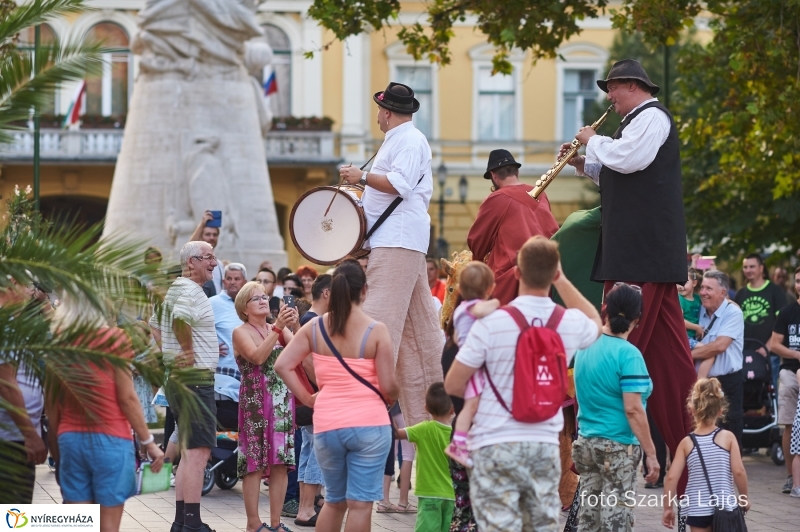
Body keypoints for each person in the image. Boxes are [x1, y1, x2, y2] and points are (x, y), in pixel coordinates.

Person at [561, 59, 696, 482]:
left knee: (612, 349)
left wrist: (593, 140)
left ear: (632, 86)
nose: (609, 97)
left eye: (612, 89)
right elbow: (623, 177)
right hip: (643, 256)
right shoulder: (634, 124)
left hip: (640, 255)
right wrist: (582, 164)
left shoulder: (652, 117)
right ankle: (697, 457)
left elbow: (629, 159)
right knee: (672, 365)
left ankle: (596, 447)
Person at [444, 236, 602, 531]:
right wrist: (562, 281)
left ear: (517, 272)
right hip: (543, 445)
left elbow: (453, 384)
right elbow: (595, 321)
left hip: (494, 443)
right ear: (554, 273)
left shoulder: (491, 322)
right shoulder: (567, 323)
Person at [338, 82, 444, 427]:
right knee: (420, 339)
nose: (377, 116)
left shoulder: (410, 140)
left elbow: (400, 185)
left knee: (377, 320)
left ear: (386, 112)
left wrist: (361, 177)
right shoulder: (403, 139)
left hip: (397, 240)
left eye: (379, 110)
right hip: (400, 239)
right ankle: (435, 421)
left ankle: (362, 409)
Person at [274, 259, 399, 532]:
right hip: (369, 423)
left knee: (334, 501)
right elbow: (389, 386)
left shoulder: (315, 328)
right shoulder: (376, 330)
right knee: (360, 505)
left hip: (328, 423)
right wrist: (393, 395)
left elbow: (282, 365)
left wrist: (309, 398)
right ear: (364, 290)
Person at [48, 292, 165, 531]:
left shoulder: (58, 344)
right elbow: (127, 398)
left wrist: (58, 456)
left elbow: (53, 409)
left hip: (71, 440)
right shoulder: (114, 339)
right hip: (111, 440)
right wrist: (148, 442)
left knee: (79, 524)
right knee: (108, 526)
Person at [572, 283, 659, 531]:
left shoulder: (585, 346)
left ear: (605, 309)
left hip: (586, 443)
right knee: (616, 520)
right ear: (637, 319)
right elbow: (633, 409)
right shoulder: (629, 355)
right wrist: (651, 453)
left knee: (589, 519)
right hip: (617, 446)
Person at [150, 241, 219, 532]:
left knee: (190, 452)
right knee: (198, 453)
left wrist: (170, 353)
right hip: (195, 380)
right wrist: (187, 352)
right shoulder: (190, 290)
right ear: (191, 262)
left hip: (181, 379)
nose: (214, 262)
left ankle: (182, 522)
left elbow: (155, 325)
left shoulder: (176, 289)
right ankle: (192, 524)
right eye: (208, 257)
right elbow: (179, 319)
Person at [232, 281, 298, 532]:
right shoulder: (241, 331)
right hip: (255, 404)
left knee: (280, 463)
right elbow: (257, 357)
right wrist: (278, 328)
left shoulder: (277, 328)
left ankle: (276, 523)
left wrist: (294, 326)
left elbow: (300, 352)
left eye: (264, 297)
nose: (263, 301)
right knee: (254, 463)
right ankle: (253, 523)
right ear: (244, 308)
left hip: (282, 404)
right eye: (256, 298)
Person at [467, 149, 559, 305]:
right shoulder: (541, 194)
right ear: (517, 172)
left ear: (493, 175)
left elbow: (477, 242)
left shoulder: (496, 198)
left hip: (511, 281)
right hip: (545, 278)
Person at [662, 378, 750, 531]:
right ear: (720, 411)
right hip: (725, 508)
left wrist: (668, 508)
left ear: (692, 410)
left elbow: (671, 477)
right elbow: (738, 471)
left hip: (697, 509)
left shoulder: (686, 443)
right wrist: (744, 499)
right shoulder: (728, 437)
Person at [444, 261, 499, 466]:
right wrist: (497, 302)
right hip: (474, 365)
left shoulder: (459, 310)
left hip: (468, 361)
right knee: (472, 404)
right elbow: (481, 310)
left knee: (471, 404)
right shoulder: (472, 308)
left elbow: (457, 337)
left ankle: (463, 441)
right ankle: (459, 445)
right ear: (489, 289)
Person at [0, 280, 47, 504]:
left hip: (13, 436)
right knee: (13, 511)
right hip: (11, 439)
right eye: (26, 285)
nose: (30, 291)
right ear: (12, 283)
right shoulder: (6, 326)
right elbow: (5, 383)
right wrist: (30, 435)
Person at [692, 270, 745, 447]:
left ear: (723, 292)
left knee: (729, 436)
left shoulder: (733, 313)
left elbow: (719, 346)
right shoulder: (697, 308)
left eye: (709, 288)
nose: (703, 292)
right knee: (700, 434)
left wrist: (685, 356)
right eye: (702, 287)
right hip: (700, 383)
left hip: (727, 383)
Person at [396, 382, 456, 532]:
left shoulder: (424, 429)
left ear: (426, 408)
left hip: (430, 493)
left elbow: (396, 434)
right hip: (452, 495)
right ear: (452, 409)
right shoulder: (456, 434)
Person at [769, 266, 800, 494]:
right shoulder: (788, 312)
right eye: (798, 281)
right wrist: (796, 355)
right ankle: (791, 476)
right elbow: (774, 344)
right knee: (789, 423)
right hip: (790, 371)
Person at [735, 253, 787, 391]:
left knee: (771, 393)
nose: (748, 270)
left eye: (752, 266)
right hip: (743, 354)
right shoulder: (741, 293)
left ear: (761, 268)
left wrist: (768, 347)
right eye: (745, 267)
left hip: (769, 355)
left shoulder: (775, 291)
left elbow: (782, 323)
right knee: (745, 395)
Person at [209, 263, 247, 430]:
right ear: (223, 282)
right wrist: (210, 347)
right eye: (229, 279)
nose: (232, 282)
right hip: (222, 385)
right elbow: (194, 331)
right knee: (223, 433)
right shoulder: (212, 303)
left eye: (237, 279)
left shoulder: (251, 304)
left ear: (244, 282)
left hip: (246, 380)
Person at [189, 210, 225, 297]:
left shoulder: (220, 265)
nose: (212, 237)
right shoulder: (196, 260)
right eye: (208, 234)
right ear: (201, 237)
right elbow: (188, 248)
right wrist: (202, 224)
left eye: (215, 235)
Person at [679, 268, 704, 348]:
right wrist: (697, 327)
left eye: (684, 282)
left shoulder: (697, 298)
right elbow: (679, 320)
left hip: (695, 336)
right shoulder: (679, 299)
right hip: (684, 336)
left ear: (694, 283)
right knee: (705, 348)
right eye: (678, 283)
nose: (680, 286)